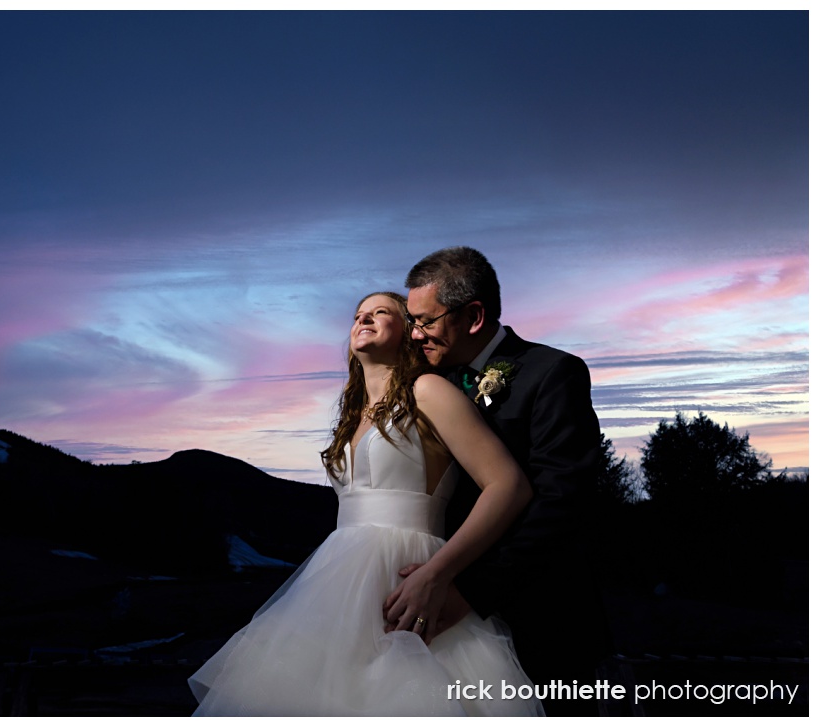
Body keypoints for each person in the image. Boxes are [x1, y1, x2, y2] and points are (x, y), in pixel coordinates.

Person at [188, 292, 544, 716]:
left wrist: (438, 573)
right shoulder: (352, 414)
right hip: (336, 581)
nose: (364, 318)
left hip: (408, 572)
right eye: (358, 314)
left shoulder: (427, 390)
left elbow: (507, 484)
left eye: (381, 312)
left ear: (410, 331)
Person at [385, 246, 607, 716]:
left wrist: (469, 591)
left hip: (538, 617)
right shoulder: (425, 384)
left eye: (426, 321)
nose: (415, 333)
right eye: (411, 320)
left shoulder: (551, 373)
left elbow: (562, 501)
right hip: (436, 616)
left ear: (474, 315)